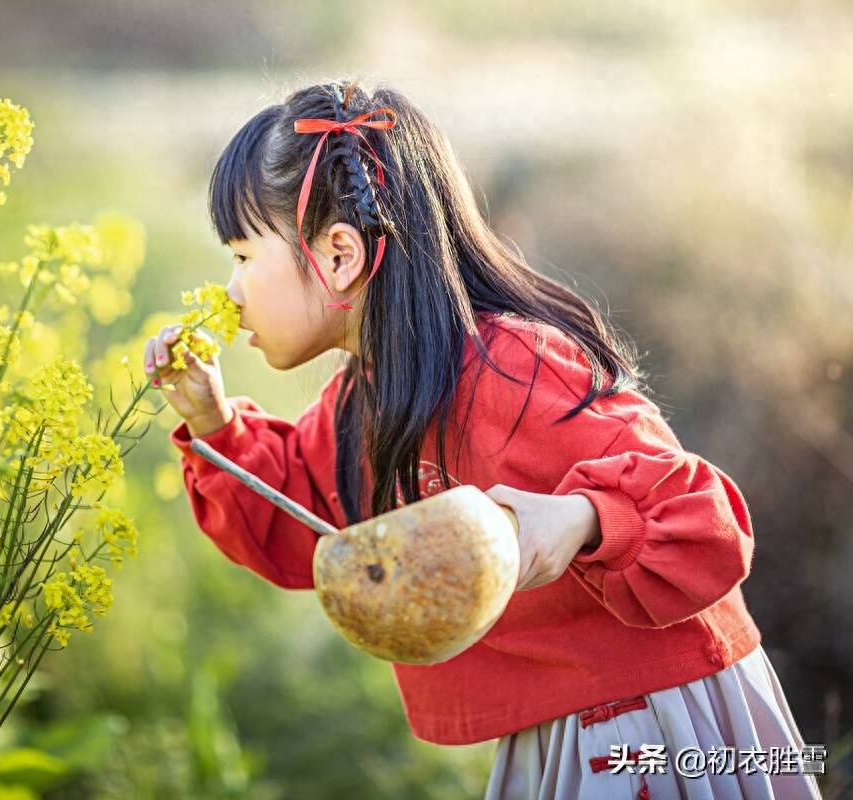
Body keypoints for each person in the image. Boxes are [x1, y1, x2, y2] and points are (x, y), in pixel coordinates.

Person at [143, 80, 821, 800]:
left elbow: (706, 518)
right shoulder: (365, 400)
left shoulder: (511, 367)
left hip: (648, 723)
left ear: (339, 254)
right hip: (555, 731)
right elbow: (303, 528)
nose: (232, 291)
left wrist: (586, 517)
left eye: (244, 256)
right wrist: (215, 424)